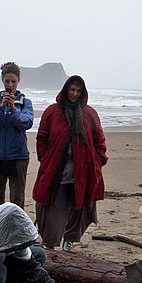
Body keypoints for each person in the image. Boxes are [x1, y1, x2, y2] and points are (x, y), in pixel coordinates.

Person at [32, 75, 107, 250]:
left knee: (80, 206)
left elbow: (99, 141)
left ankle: (71, 239)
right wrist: (45, 160)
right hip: (56, 171)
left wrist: (96, 162)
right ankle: (50, 242)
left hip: (83, 172)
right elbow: (42, 137)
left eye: (78, 91)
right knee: (52, 205)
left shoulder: (89, 114)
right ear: (65, 90)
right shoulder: (52, 112)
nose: (74, 94)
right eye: (72, 90)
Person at [0, 61, 34, 208]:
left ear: (18, 81)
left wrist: (13, 109)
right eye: (7, 81)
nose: (10, 85)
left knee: (17, 201)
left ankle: (16, 230)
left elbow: (26, 123)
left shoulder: (25, 103)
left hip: (18, 156)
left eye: (13, 81)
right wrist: (1, 107)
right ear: (2, 80)